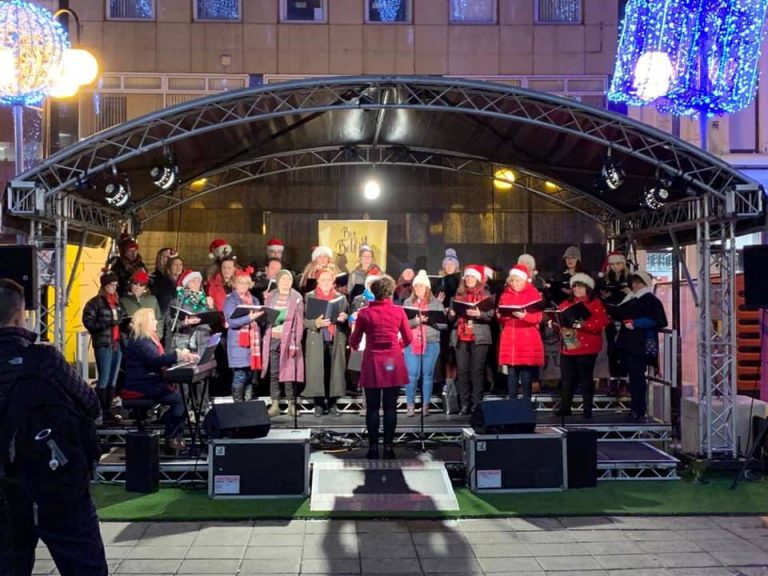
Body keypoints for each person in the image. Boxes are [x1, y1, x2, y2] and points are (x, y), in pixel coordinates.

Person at [0, 278, 108, 576]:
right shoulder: (44, 359)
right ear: (20, 314)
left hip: (6, 490)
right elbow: (91, 405)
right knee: (85, 567)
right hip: (56, 480)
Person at [349, 276, 412, 460]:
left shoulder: (364, 313)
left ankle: (373, 448)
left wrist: (353, 345)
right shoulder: (399, 311)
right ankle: (389, 447)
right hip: (392, 362)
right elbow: (408, 338)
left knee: (373, 407)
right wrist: (397, 346)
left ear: (373, 293)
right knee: (391, 407)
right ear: (390, 292)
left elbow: (355, 339)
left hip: (372, 362)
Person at [121, 308, 194, 452]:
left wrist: (180, 356)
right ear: (145, 323)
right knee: (179, 400)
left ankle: (172, 432)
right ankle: (171, 438)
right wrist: (177, 355)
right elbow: (155, 360)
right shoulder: (141, 340)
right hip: (141, 385)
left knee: (179, 399)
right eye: (153, 319)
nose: (156, 322)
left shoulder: (147, 339)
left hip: (149, 381)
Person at [553, 273, 609, 417]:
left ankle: (587, 408)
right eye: (575, 286)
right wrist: (554, 323)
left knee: (585, 378)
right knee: (567, 378)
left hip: (587, 347)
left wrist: (582, 324)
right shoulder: (566, 303)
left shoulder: (595, 304)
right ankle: (565, 407)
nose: (577, 289)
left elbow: (601, 323)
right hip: (570, 344)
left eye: (580, 287)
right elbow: (558, 319)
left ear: (587, 288)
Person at [615, 270, 668, 420]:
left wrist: (636, 323)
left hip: (640, 343)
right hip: (629, 342)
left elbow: (660, 320)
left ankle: (638, 409)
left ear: (645, 284)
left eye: (638, 282)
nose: (635, 285)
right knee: (633, 377)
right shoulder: (630, 298)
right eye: (633, 282)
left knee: (637, 377)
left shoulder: (650, 299)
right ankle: (635, 408)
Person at [448, 265, 494, 415]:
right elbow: (450, 318)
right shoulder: (457, 295)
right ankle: (464, 404)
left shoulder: (486, 295)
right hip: (461, 337)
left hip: (479, 337)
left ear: (478, 279)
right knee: (462, 371)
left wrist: (479, 313)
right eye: (467, 277)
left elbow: (491, 316)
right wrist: (452, 313)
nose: (469, 279)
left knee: (477, 371)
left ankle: (476, 404)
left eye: (472, 277)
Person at [303, 267, 349, 417]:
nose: (326, 282)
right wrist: (316, 323)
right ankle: (318, 403)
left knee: (333, 370)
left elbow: (347, 316)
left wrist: (344, 317)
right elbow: (303, 320)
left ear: (333, 281)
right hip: (317, 339)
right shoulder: (309, 297)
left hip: (334, 339)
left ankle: (332, 403)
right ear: (317, 281)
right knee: (317, 370)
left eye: (329, 279)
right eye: (323, 279)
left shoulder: (340, 297)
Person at [82, 271, 126, 422]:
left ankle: (108, 409)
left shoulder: (118, 302)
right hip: (103, 343)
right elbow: (88, 322)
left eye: (115, 285)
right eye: (111, 285)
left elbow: (123, 318)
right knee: (104, 377)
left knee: (113, 378)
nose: (114, 288)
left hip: (116, 342)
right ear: (104, 285)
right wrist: (107, 324)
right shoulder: (95, 302)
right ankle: (102, 408)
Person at [497, 265, 545, 401]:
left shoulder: (533, 294)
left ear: (524, 281)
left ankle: (526, 404)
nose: (514, 284)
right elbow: (501, 316)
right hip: (510, 339)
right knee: (511, 372)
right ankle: (513, 404)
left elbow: (538, 318)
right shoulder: (505, 294)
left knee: (525, 373)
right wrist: (502, 315)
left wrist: (524, 316)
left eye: (517, 281)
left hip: (526, 338)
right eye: (512, 281)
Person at [402, 270, 446, 417]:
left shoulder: (436, 303)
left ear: (427, 288)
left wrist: (431, 321)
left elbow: (444, 326)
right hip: (412, 343)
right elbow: (403, 324)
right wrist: (416, 321)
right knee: (412, 374)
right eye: (416, 286)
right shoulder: (408, 303)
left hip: (431, 342)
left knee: (427, 375)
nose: (418, 289)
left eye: (421, 286)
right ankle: (410, 405)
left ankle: (425, 405)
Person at [261, 270, 304, 417]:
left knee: (289, 372)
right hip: (273, 338)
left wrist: (295, 342)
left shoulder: (296, 297)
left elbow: (299, 322)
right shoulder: (271, 296)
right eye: (284, 279)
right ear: (278, 281)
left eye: (289, 279)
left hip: (289, 340)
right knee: (274, 373)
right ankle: (275, 404)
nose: (287, 281)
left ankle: (292, 403)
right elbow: (265, 316)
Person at [223, 267, 264, 402]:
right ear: (235, 284)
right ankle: (238, 405)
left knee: (250, 375)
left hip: (253, 344)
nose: (243, 286)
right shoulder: (231, 300)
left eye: (246, 283)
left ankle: (248, 404)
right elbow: (231, 322)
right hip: (238, 343)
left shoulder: (255, 300)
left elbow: (260, 320)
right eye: (240, 282)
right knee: (240, 374)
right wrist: (249, 318)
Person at [597, 251, 632, 396]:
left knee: (623, 350)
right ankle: (612, 382)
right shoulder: (605, 279)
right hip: (609, 318)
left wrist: (629, 291)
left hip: (625, 319)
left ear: (623, 264)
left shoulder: (629, 278)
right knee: (610, 350)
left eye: (618, 264)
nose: (615, 267)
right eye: (612, 264)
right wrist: (604, 296)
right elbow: (598, 294)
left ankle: (623, 382)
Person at [164, 269, 215, 352]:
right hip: (183, 343)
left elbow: (213, 321)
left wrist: (211, 307)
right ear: (186, 285)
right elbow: (170, 322)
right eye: (192, 281)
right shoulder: (177, 301)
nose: (196, 284)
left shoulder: (205, 301)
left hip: (203, 342)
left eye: (198, 281)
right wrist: (184, 323)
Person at [120, 270, 163, 340]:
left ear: (145, 287)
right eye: (135, 283)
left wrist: (158, 335)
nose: (137, 287)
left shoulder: (152, 300)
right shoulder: (123, 301)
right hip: (130, 340)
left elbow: (159, 319)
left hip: (151, 338)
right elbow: (121, 323)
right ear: (130, 284)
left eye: (141, 285)